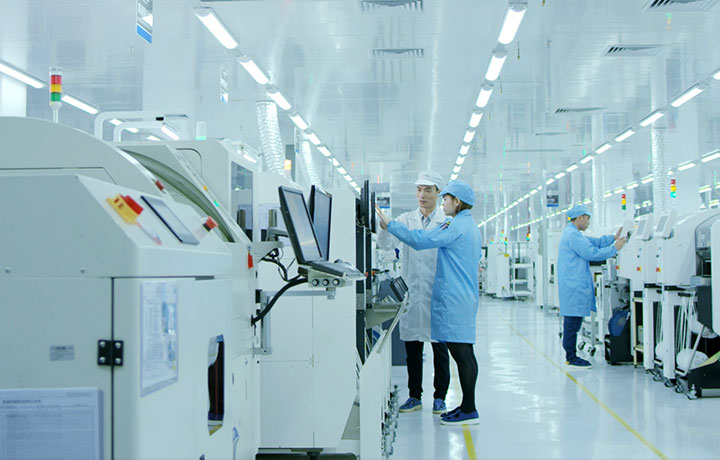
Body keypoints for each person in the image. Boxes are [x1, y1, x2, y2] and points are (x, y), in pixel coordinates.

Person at [376, 180, 483, 426]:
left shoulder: (454, 225)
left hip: (454, 297)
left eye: (446, 198)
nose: (444, 203)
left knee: (460, 353)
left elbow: (420, 240)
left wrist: (390, 224)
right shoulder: (467, 224)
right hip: (460, 296)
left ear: (457, 201)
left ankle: (468, 409)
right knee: (463, 353)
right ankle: (466, 406)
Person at [377, 171, 450, 415]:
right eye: (419, 190)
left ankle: (440, 398)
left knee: (440, 350)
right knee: (413, 350)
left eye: (428, 190)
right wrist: (385, 227)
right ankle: (414, 396)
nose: (422, 195)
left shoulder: (446, 222)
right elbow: (386, 245)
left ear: (438, 193)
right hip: (413, 291)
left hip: (437, 293)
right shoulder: (405, 220)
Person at [558, 204, 626, 369]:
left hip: (573, 283)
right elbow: (591, 253)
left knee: (574, 321)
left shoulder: (574, 234)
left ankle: (571, 355)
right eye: (587, 219)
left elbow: (594, 242)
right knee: (572, 322)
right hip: (573, 284)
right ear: (580, 217)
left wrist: (613, 238)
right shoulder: (573, 235)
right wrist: (614, 248)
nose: (588, 222)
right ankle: (571, 357)